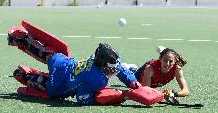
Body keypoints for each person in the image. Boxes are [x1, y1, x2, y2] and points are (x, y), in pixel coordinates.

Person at [9, 40, 141, 105]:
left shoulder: (99, 60)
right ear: (102, 65)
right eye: (110, 69)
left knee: (51, 56)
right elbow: (81, 97)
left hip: (63, 62)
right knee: (50, 91)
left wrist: (132, 81)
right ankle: (25, 76)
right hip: (59, 84)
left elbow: (121, 69)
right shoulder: (99, 80)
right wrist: (100, 99)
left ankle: (26, 40)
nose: (114, 71)